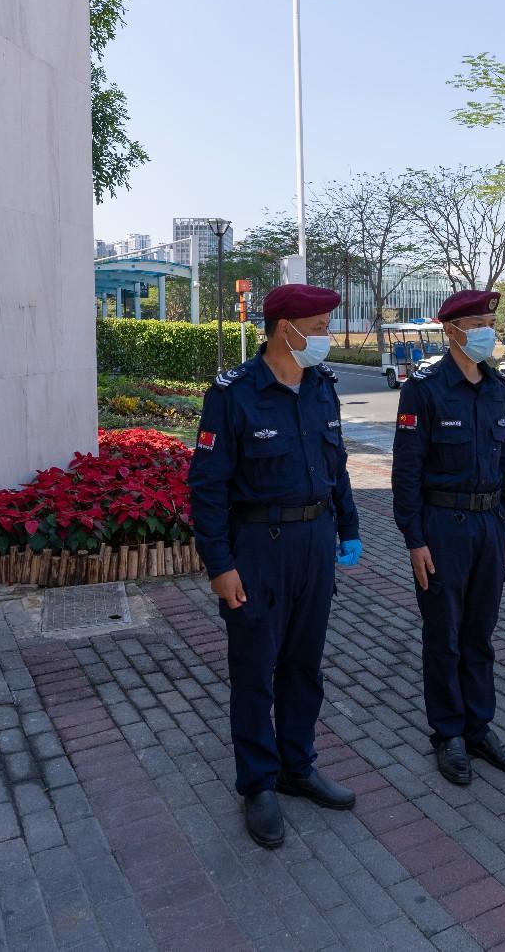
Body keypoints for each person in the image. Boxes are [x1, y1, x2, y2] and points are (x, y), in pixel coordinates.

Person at [187, 284, 364, 849]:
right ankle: (258, 783)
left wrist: (351, 527)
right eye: (316, 326)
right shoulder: (235, 394)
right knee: (254, 670)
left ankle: (297, 765)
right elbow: (207, 487)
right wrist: (219, 563)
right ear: (283, 329)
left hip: (314, 542)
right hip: (257, 548)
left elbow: (337, 468)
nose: (324, 338)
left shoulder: (321, 388)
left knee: (303, 665)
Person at [392, 290, 505, 785]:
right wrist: (414, 539)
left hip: (489, 524)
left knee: (480, 634)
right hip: (442, 528)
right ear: (452, 330)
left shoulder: (496, 386)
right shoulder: (424, 389)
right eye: (478, 323)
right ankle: (447, 733)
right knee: (444, 635)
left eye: (491, 321)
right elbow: (406, 472)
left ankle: (479, 726)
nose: (488, 330)